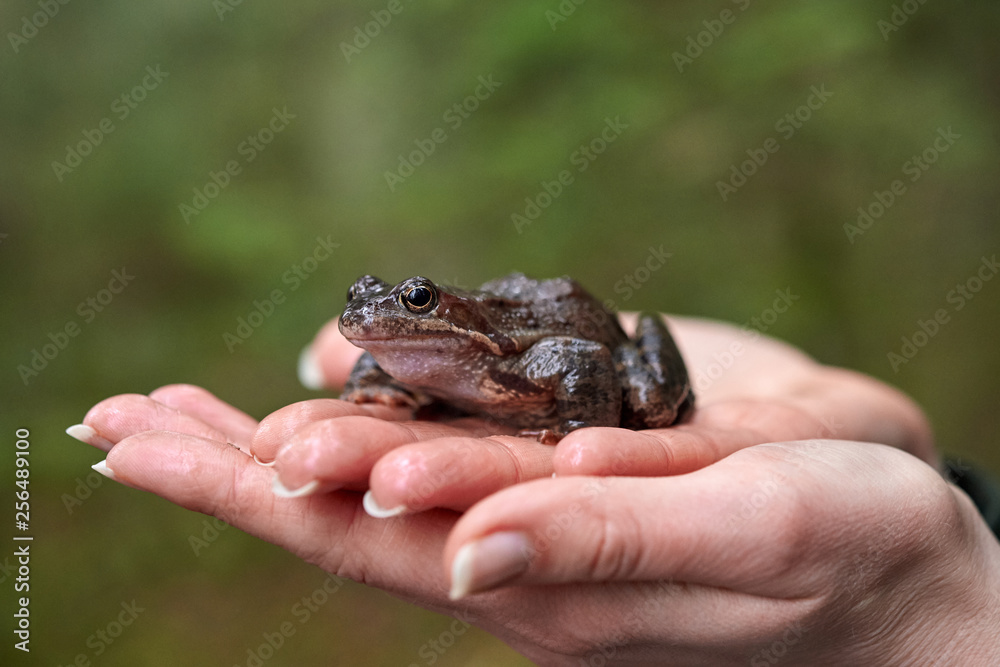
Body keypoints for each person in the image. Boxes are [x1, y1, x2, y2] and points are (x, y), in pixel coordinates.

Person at [67, 314, 1000, 664]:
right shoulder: (397, 355)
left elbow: (581, 354)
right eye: (370, 309)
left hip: (598, 340)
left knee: (642, 394)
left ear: (453, 314)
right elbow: (368, 364)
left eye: (415, 301)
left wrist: (947, 617)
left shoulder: (521, 351)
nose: (379, 320)